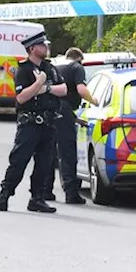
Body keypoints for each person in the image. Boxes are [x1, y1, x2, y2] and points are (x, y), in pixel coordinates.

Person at [0, 30, 67, 213]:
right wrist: (37, 84)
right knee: (19, 160)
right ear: (32, 48)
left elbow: (63, 89)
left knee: (45, 164)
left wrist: (44, 87)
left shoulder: (50, 68)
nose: (45, 48)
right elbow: (22, 98)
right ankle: (4, 196)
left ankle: (37, 199)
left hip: (49, 123)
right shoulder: (23, 70)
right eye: (42, 45)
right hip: (29, 124)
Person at [43, 47, 95, 205]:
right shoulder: (77, 67)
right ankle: (71, 194)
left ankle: (45, 191)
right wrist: (96, 102)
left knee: (48, 151)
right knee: (67, 152)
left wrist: (75, 119)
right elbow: (81, 90)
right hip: (63, 110)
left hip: (47, 109)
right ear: (79, 59)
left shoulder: (54, 66)